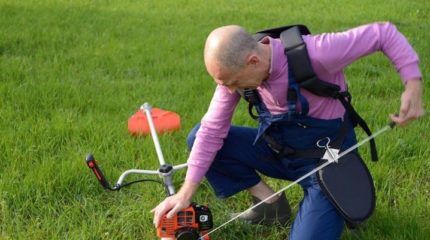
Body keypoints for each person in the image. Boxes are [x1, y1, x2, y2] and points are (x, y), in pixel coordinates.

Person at [152, 22, 424, 239]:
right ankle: (270, 204)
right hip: (281, 151)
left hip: (328, 162)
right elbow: (211, 131)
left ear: (253, 61)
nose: (231, 90)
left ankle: (329, 206)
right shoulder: (235, 76)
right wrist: (186, 192)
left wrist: (413, 85)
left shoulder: (316, 52)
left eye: (233, 82)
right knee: (198, 135)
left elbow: (383, 33)